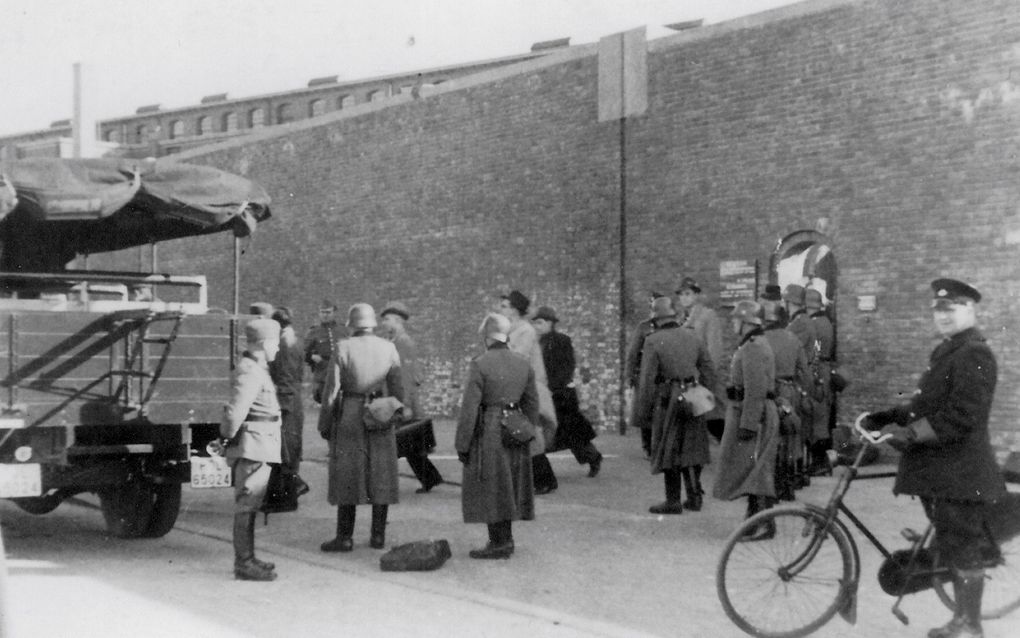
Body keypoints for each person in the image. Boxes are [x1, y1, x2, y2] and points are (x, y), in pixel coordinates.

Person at [861, 278, 1004, 638]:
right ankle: (961, 617)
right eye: (938, 310)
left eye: (951, 308)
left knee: (962, 547)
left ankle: (970, 625)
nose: (943, 316)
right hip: (944, 470)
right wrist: (889, 415)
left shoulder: (974, 353)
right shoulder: (950, 350)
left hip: (961, 472)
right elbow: (927, 404)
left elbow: (961, 416)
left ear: (970, 309)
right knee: (953, 542)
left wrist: (909, 434)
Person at [317, 303, 404, 553]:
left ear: (352, 324)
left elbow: (331, 391)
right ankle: (378, 536)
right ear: (372, 324)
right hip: (380, 412)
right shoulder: (389, 347)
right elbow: (398, 390)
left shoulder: (343, 347)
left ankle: (344, 537)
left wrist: (325, 423)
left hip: (351, 413)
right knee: (381, 474)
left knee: (348, 476)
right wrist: (393, 412)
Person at [455, 313, 538, 559]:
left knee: (492, 485)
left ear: (486, 337)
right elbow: (532, 402)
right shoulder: (523, 362)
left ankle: (499, 543)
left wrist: (463, 443)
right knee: (510, 485)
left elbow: (470, 407)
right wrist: (526, 429)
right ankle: (506, 540)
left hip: (490, 426)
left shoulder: (480, 364)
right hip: (515, 425)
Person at [633, 296, 717, 514]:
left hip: (667, 398)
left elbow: (647, 380)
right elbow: (708, 369)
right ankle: (695, 496)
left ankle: (673, 501)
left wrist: (644, 412)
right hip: (693, 393)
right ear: (675, 316)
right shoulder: (693, 336)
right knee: (693, 447)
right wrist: (705, 394)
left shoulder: (653, 340)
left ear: (656, 318)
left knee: (669, 448)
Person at [220, 317, 283, 581]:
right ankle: (243, 562)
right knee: (247, 503)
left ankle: (249, 557)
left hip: (261, 443)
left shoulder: (257, 367)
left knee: (252, 502)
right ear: (265, 343)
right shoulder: (250, 370)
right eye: (276, 343)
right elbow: (236, 412)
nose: (278, 348)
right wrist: (226, 438)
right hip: (253, 445)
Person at [712, 300, 780, 541]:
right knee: (754, 469)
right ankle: (755, 522)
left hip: (753, 413)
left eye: (735, 319)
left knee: (757, 469)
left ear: (746, 321)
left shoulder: (752, 347)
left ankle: (763, 524)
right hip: (752, 411)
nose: (733, 323)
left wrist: (748, 425)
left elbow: (755, 389)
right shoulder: (754, 344)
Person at [499, 290, 559, 495]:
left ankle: (544, 480)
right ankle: (543, 479)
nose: (501, 309)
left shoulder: (525, 330)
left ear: (515, 310)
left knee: (528, 433)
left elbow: (518, 358)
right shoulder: (510, 329)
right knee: (523, 433)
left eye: (505, 306)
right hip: (517, 387)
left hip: (528, 389)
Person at [380, 301, 444, 493]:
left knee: (395, 442)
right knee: (410, 445)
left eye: (388, 319)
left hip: (401, 400)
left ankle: (385, 485)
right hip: (396, 399)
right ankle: (430, 478)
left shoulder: (403, 343)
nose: (384, 323)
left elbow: (406, 375)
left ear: (398, 320)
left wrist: (405, 405)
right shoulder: (395, 341)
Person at [532, 306, 603, 478]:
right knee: (556, 431)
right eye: (536, 323)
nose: (537, 326)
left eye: (541, 322)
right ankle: (538, 466)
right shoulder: (537, 342)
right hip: (546, 393)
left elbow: (567, 367)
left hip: (561, 395)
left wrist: (554, 386)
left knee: (572, 432)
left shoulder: (561, 340)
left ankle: (593, 458)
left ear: (550, 323)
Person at [759, 293, 809, 501]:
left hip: (771, 392)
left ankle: (773, 486)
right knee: (790, 437)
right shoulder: (793, 339)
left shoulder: (760, 340)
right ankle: (788, 486)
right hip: (791, 391)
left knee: (771, 438)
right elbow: (804, 372)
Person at [268, 306, 310, 508]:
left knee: (285, 449)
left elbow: (284, 376)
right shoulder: (295, 340)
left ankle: (289, 495)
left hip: (286, 400)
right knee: (290, 448)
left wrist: (280, 405)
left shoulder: (283, 344)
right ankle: (288, 494)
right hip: (295, 397)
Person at [676, 277, 726, 444]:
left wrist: (708, 376)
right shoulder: (680, 320)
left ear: (697, 295)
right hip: (688, 378)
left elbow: (714, 349)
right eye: (681, 294)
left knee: (714, 419)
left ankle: (730, 454)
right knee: (694, 419)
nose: (684, 298)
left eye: (688, 294)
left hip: (703, 378)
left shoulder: (707, 316)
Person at [624, 291, 665, 456]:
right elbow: (633, 353)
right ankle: (648, 446)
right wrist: (630, 375)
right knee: (645, 410)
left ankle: (661, 445)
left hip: (663, 373)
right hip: (645, 374)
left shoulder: (670, 325)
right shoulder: (644, 327)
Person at [805, 287, 836, 475]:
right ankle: (824, 462)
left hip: (816, 371)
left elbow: (812, 352)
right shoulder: (825, 321)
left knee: (817, 418)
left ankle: (820, 463)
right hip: (824, 370)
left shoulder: (814, 324)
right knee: (822, 417)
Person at [305, 298, 349, 404]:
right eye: (322, 312)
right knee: (326, 408)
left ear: (334, 313)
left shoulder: (343, 330)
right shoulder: (313, 332)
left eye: (328, 312)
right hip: (322, 376)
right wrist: (312, 357)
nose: (325, 315)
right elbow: (305, 353)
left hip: (341, 374)